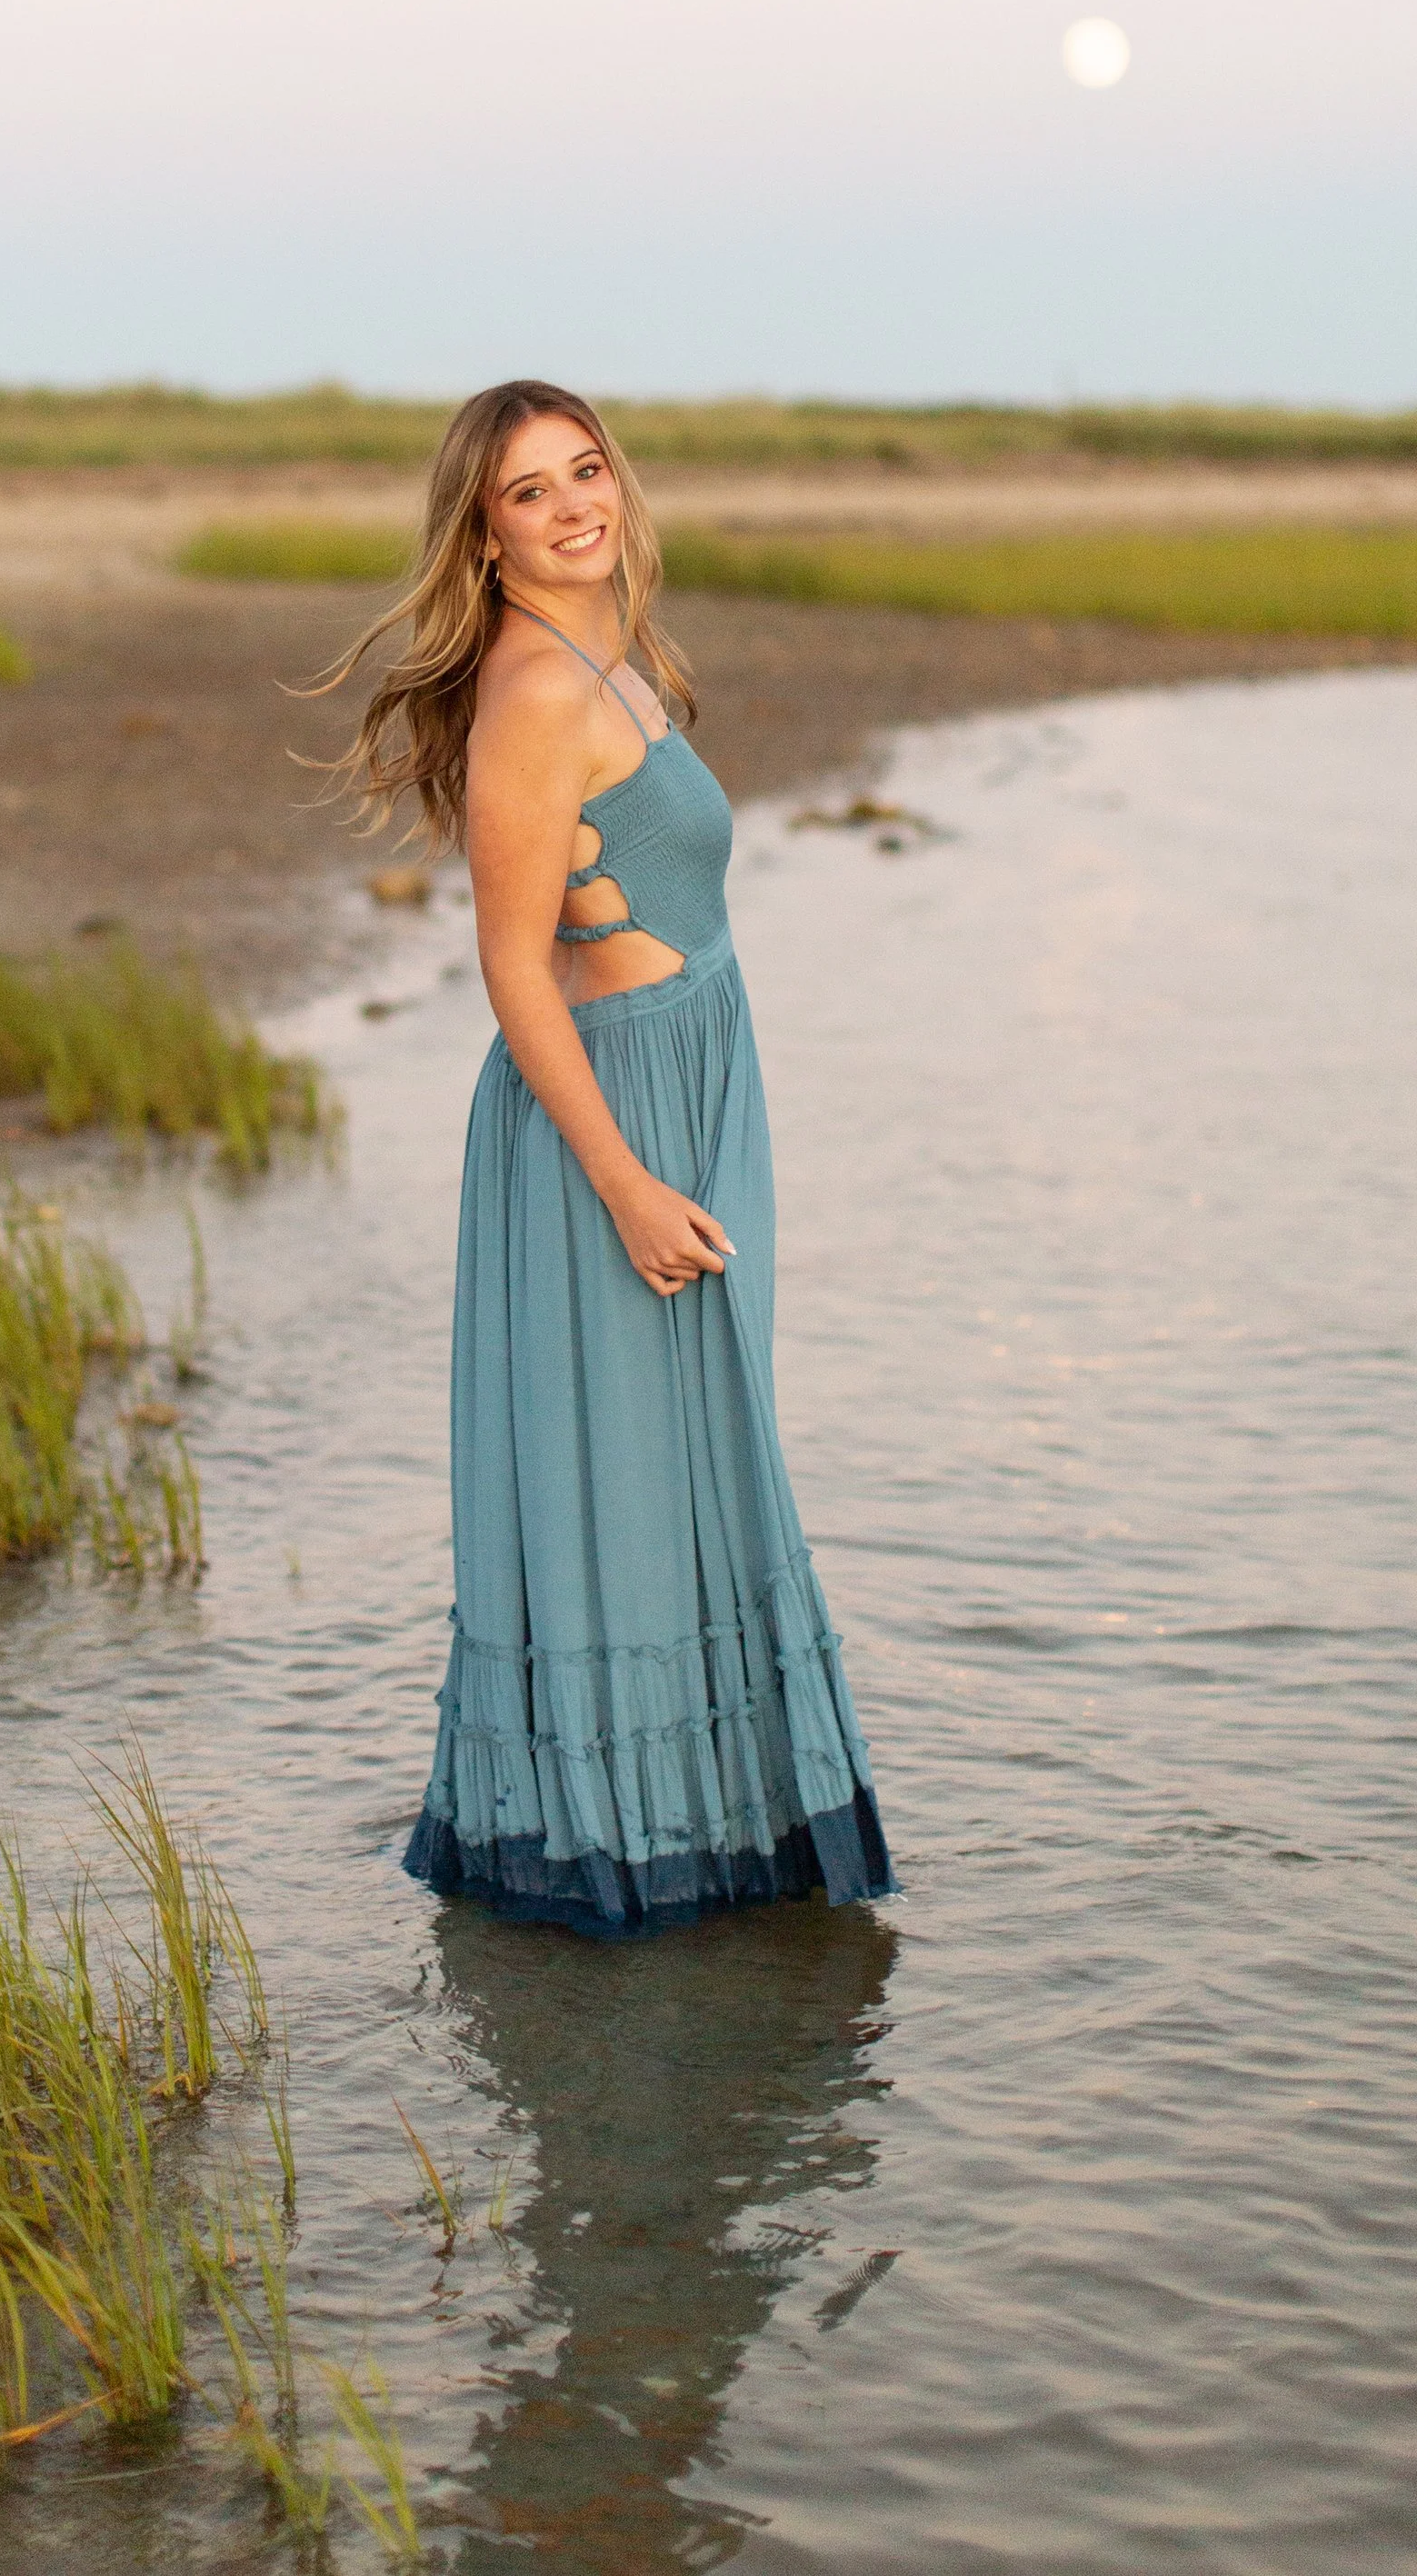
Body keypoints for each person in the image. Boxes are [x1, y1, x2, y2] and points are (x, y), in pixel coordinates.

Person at [317, 379, 892, 1932]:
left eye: (587, 471)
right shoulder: (533, 691)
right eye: (531, 491)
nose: (575, 505)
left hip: (685, 1076)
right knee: (631, 1470)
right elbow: (512, 963)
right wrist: (626, 1182)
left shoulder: (611, 656)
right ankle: (609, 1849)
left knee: (703, 1447)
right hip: (611, 1116)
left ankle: (713, 1821)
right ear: (483, 535)